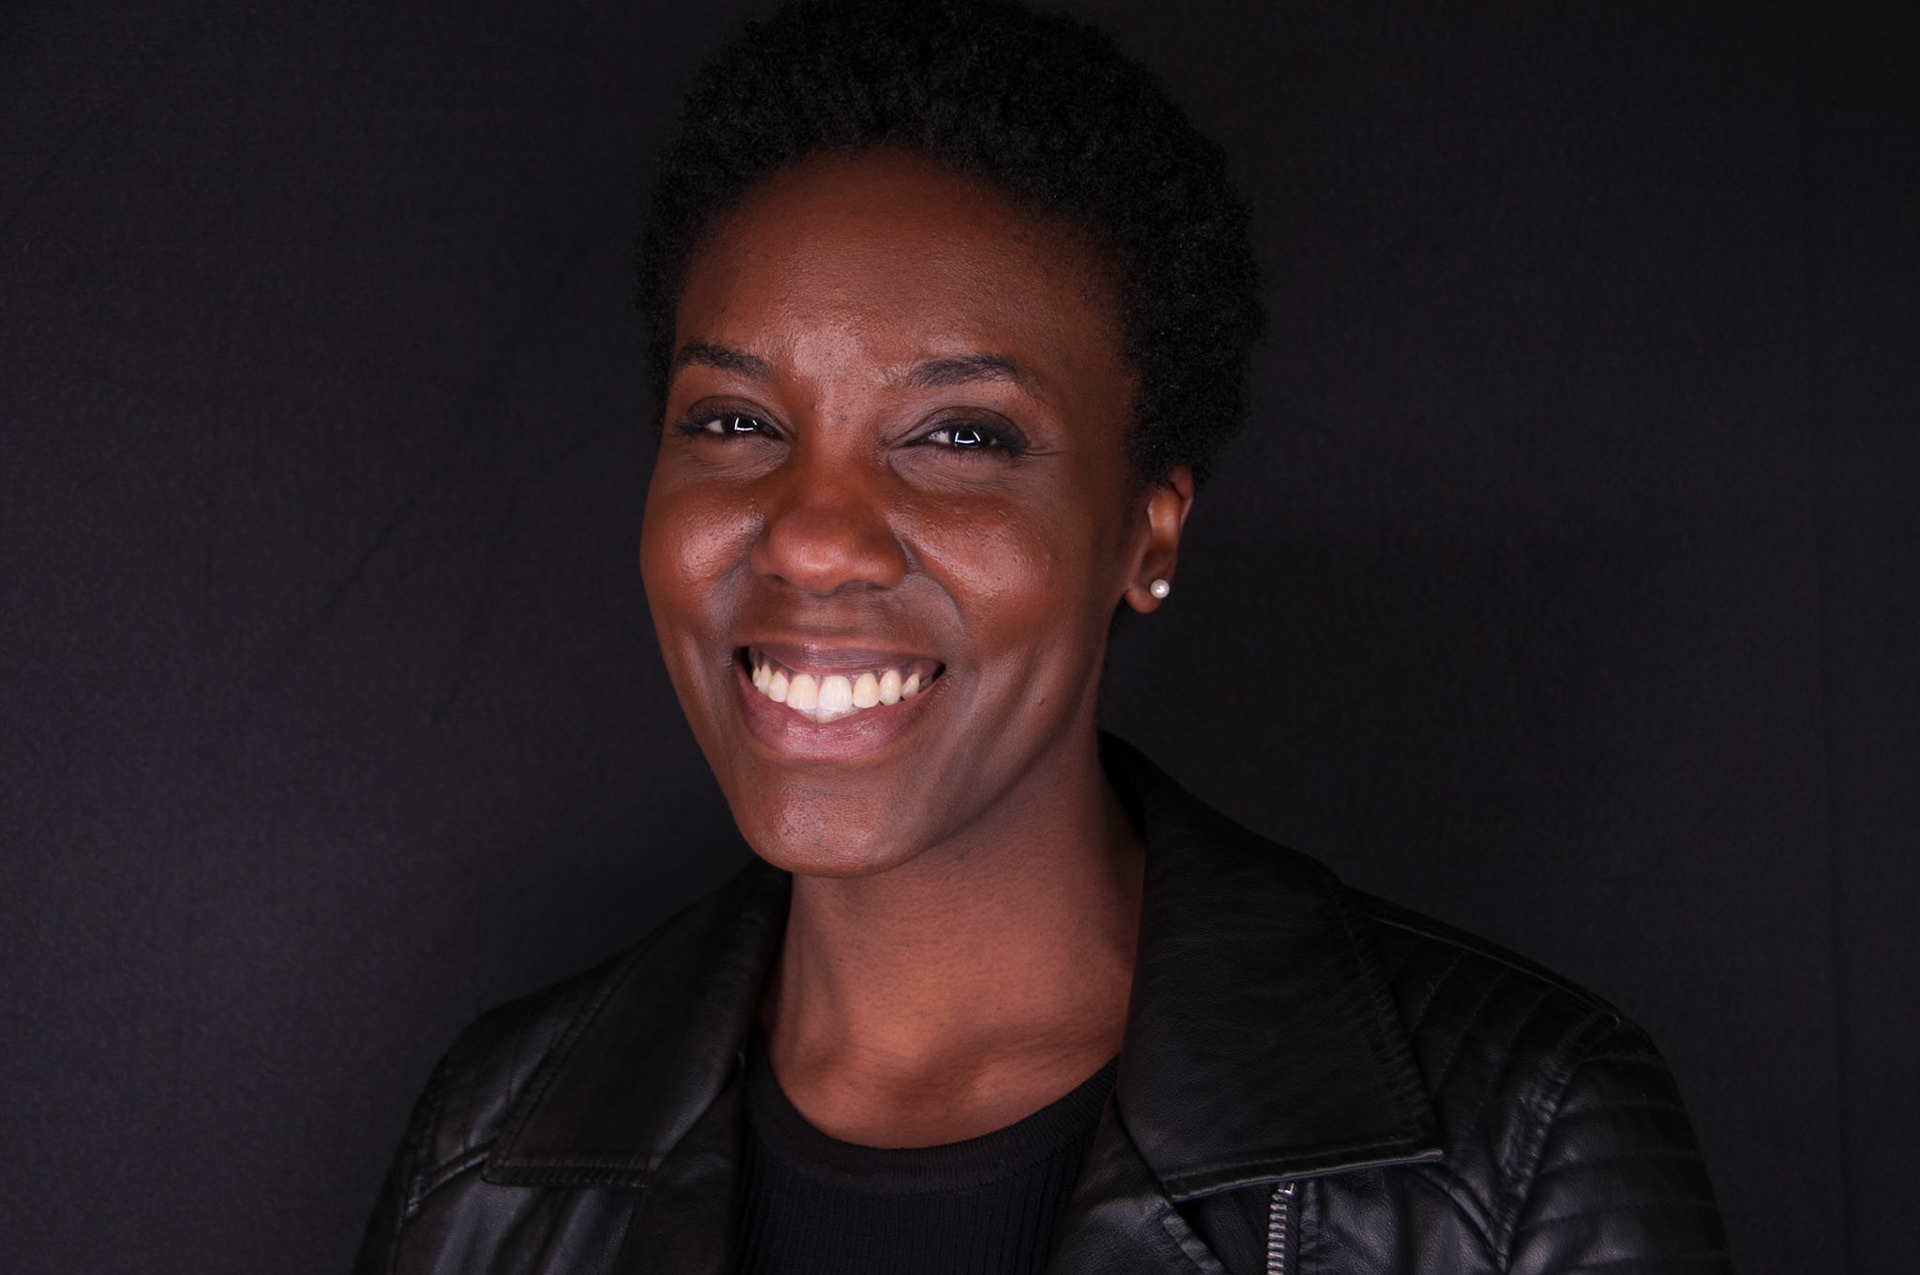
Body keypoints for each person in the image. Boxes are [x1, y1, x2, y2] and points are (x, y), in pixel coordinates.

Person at [353, 2, 1732, 1272]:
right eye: (734, 421)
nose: (813, 539)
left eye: (961, 437)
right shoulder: (489, 1157)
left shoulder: (1515, 1151)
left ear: (1147, 533)